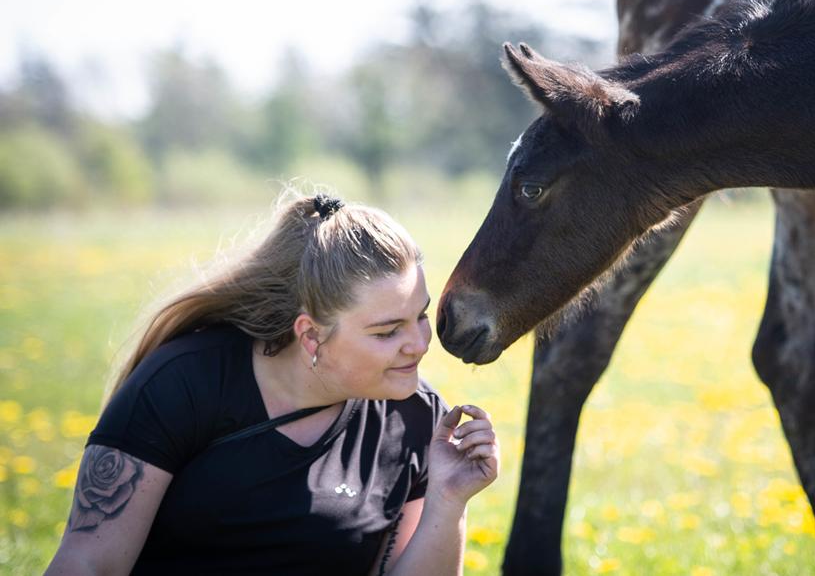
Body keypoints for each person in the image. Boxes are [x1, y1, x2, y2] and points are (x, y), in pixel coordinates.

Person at [46, 193, 499, 575]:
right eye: (386, 332)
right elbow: (89, 564)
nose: (419, 344)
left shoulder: (417, 416)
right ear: (310, 334)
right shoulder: (183, 381)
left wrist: (447, 498)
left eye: (419, 315)